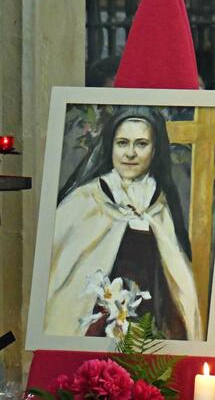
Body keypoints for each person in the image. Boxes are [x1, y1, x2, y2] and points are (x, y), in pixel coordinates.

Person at [46, 107, 202, 340]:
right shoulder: (84, 201)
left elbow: (176, 282)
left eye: (141, 144)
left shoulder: (159, 205)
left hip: (152, 329)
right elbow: (60, 279)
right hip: (95, 331)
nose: (130, 153)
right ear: (110, 147)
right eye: (122, 143)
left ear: (155, 150)